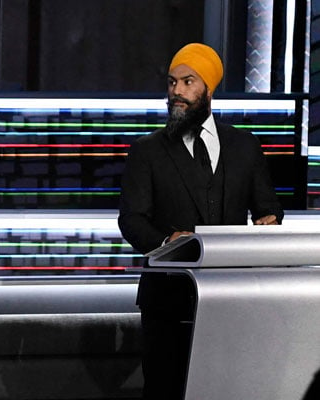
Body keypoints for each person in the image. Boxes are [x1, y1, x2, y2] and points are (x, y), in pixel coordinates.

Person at [118, 43, 283, 400]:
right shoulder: (146, 151)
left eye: (187, 82)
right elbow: (132, 219)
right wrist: (170, 243)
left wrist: (269, 224)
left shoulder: (245, 146)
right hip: (167, 303)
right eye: (171, 83)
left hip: (234, 301)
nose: (176, 91)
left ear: (209, 88)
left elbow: (268, 207)